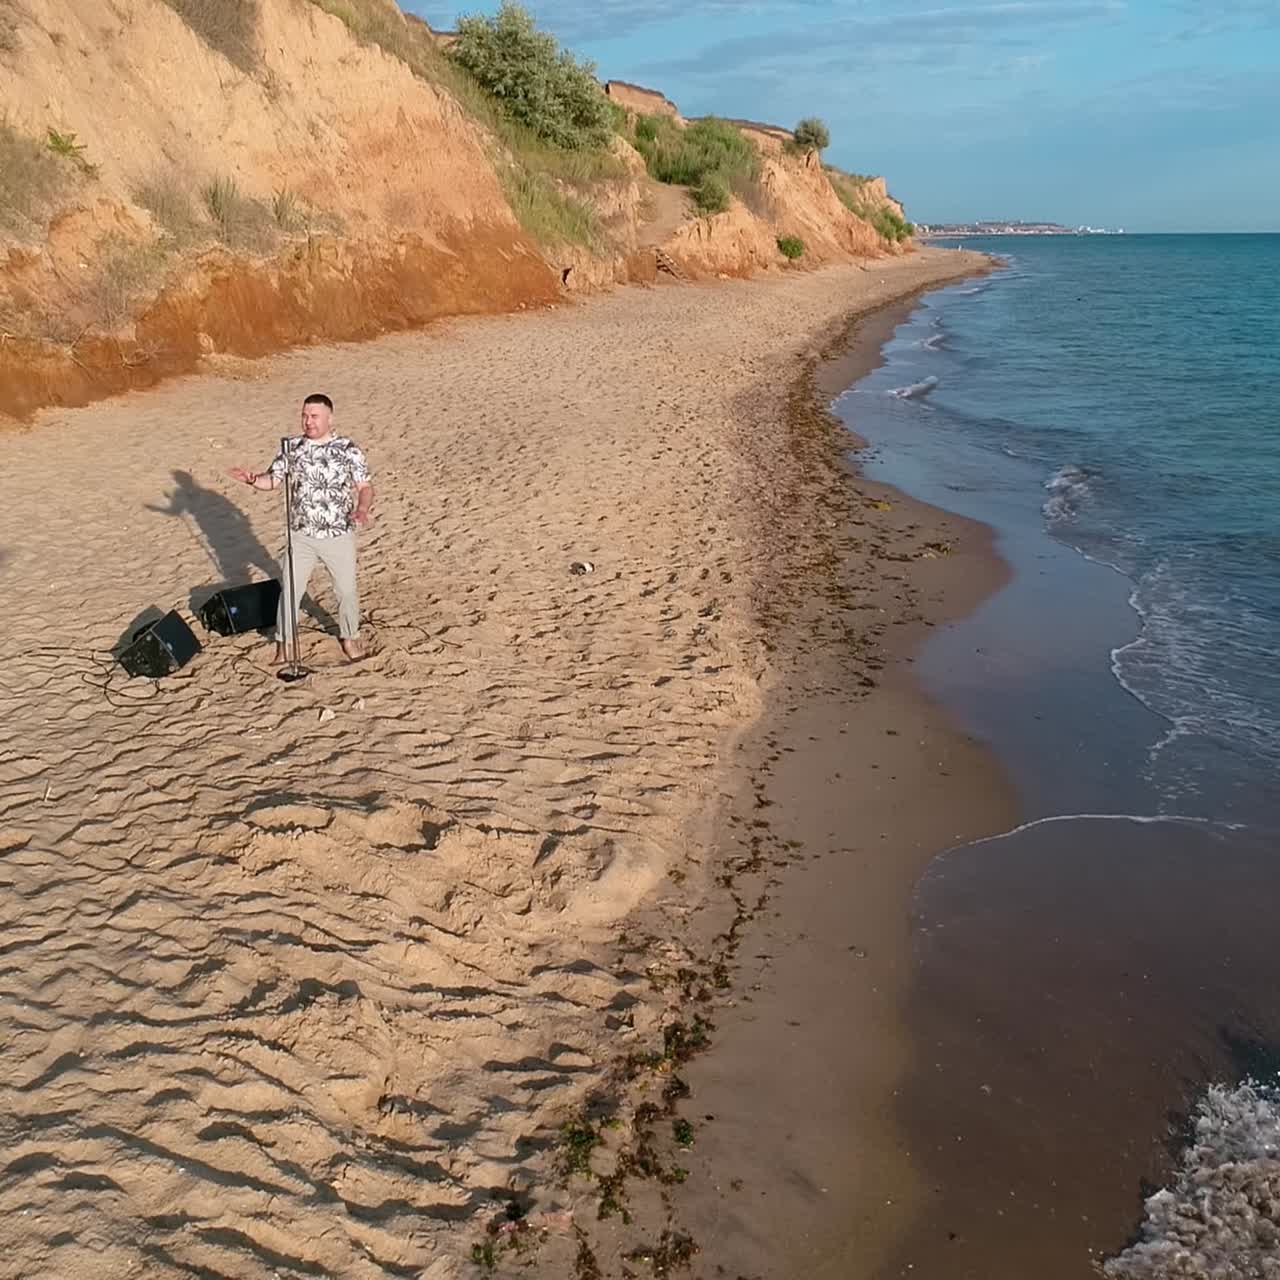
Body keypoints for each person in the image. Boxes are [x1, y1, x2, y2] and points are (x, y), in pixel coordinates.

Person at [230, 393, 374, 663]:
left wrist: (362, 509)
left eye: (315, 416)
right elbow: (272, 481)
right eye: (305, 416)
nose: (309, 422)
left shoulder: (347, 449)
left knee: (345, 590)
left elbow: (365, 487)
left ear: (330, 418)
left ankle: (350, 637)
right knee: (291, 590)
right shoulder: (291, 446)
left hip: (337, 534)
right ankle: (284, 643)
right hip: (301, 535)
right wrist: (252, 480)